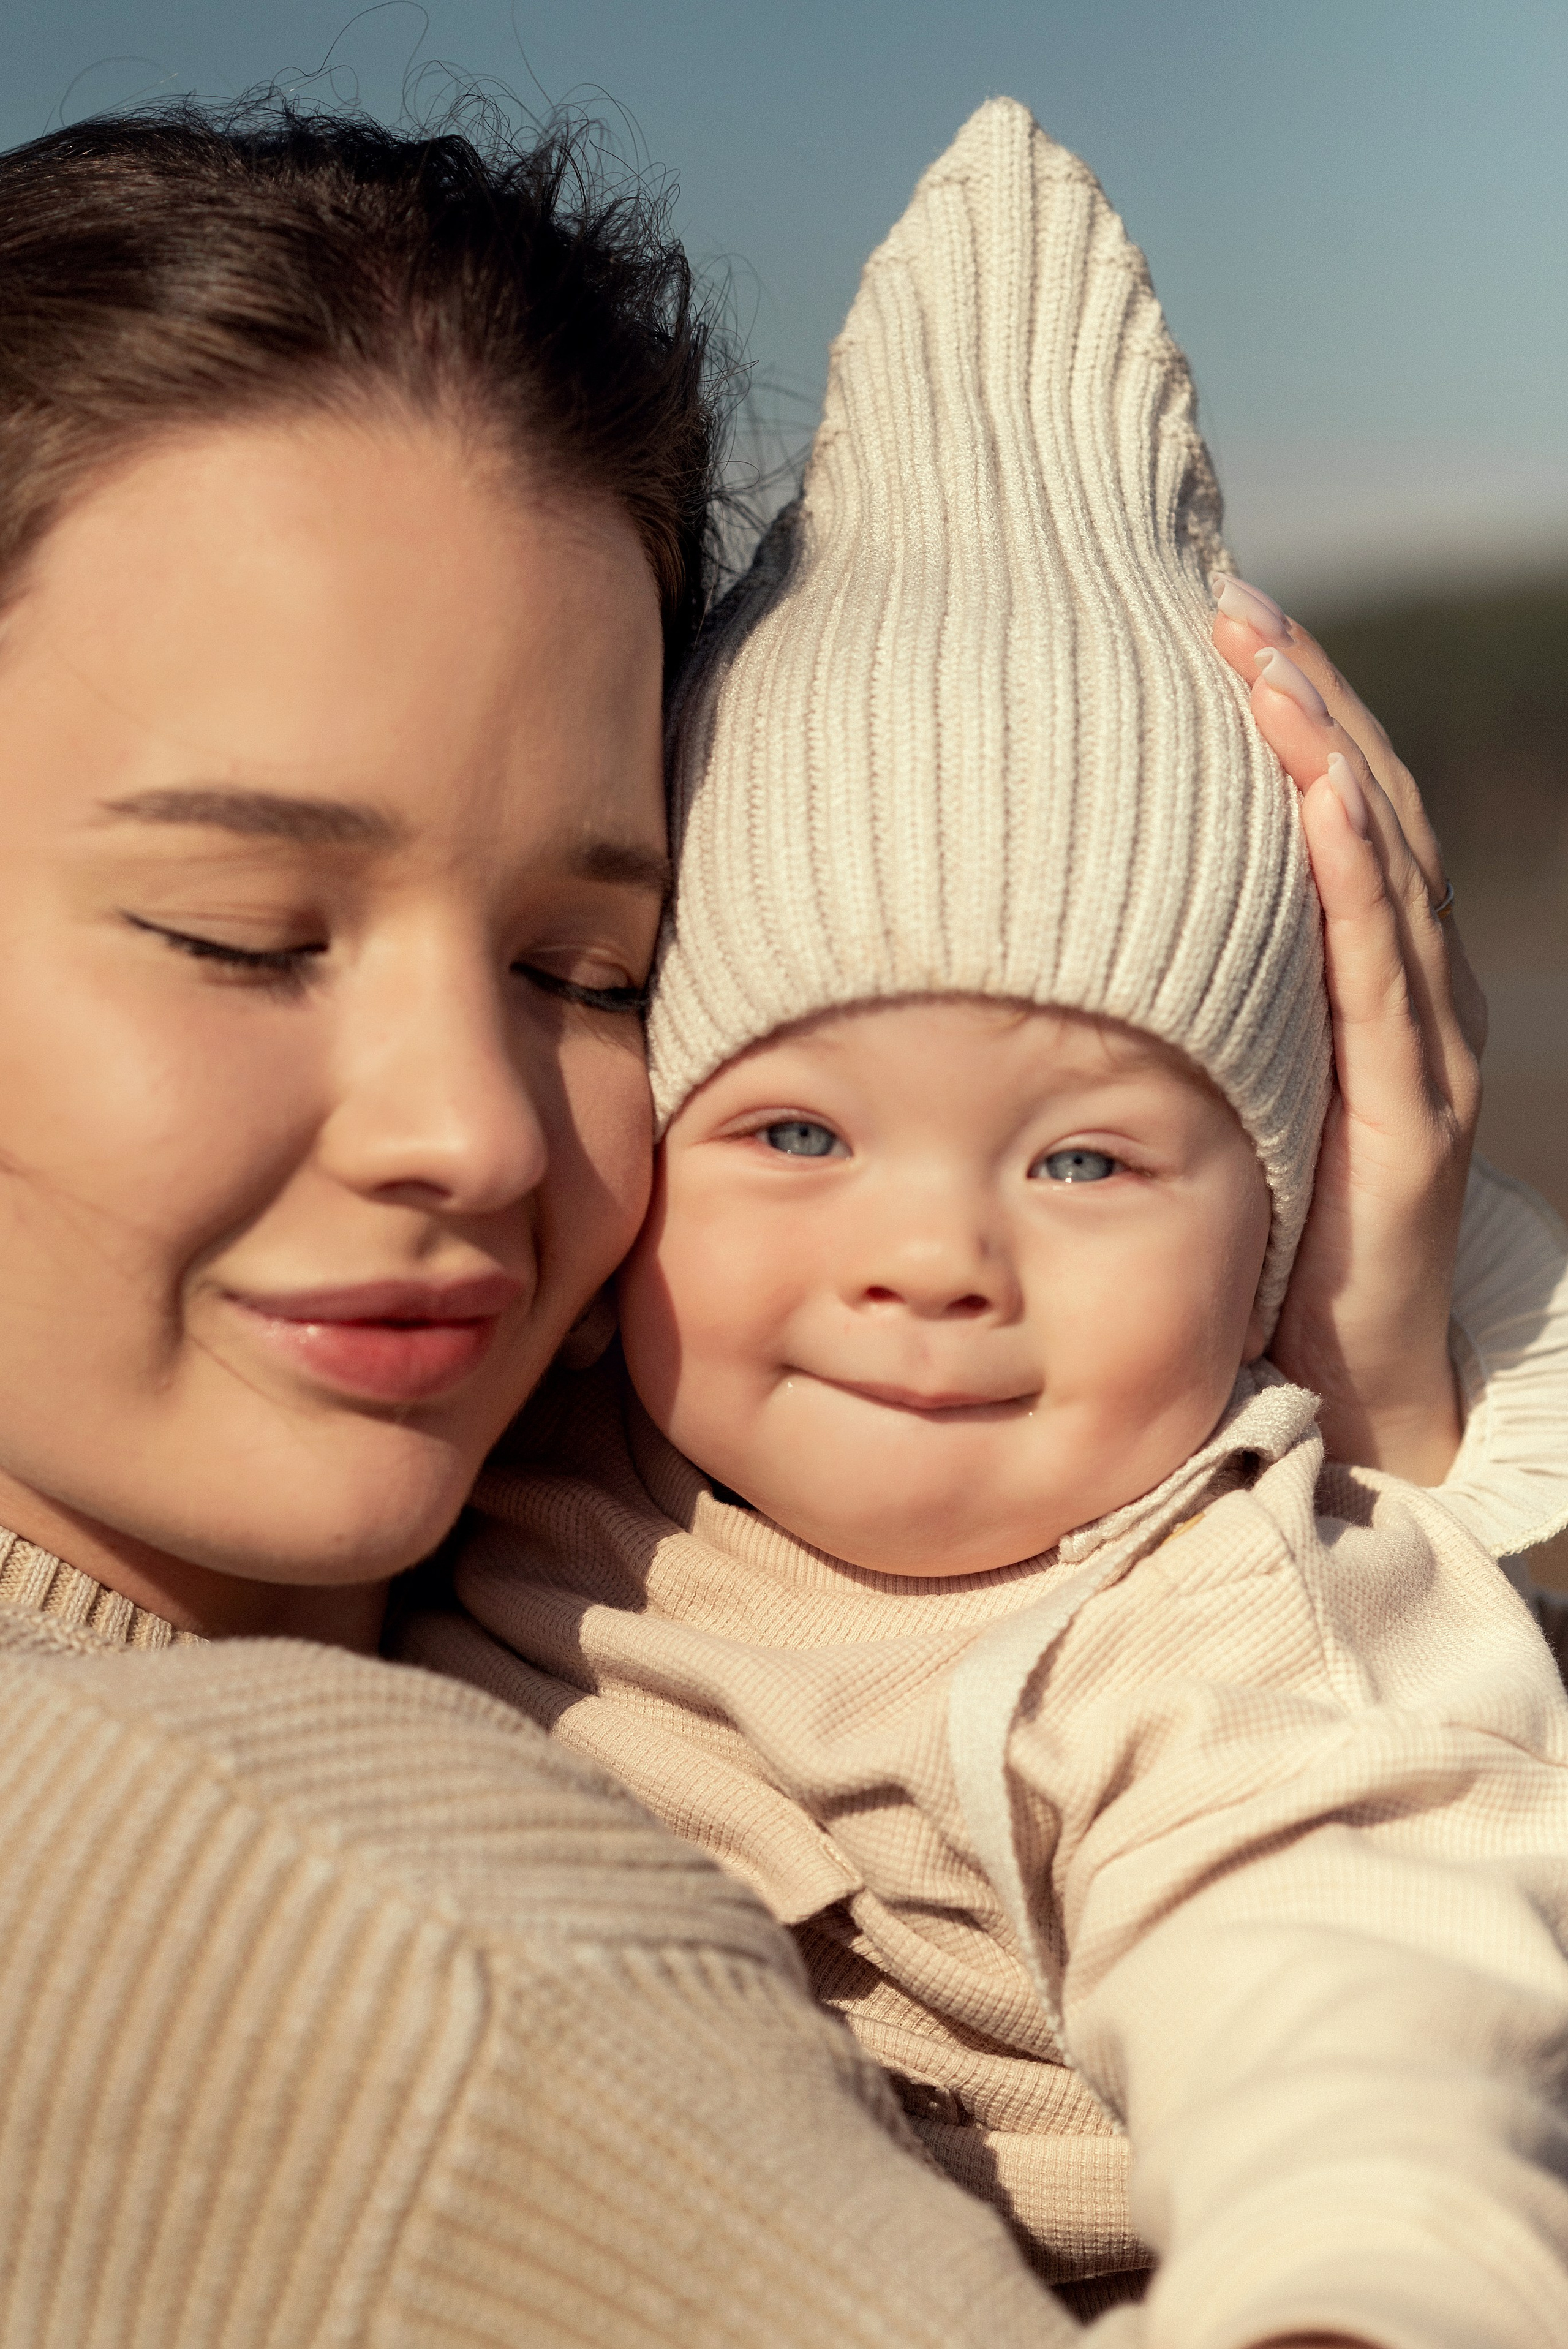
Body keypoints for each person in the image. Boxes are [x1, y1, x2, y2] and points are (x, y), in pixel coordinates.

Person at [0, 89, 1561, 2349]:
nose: (478, 1129)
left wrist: (1350, 1419)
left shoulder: (556, 1523)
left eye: (590, 975)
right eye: (248, 931)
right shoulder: (403, 1959)